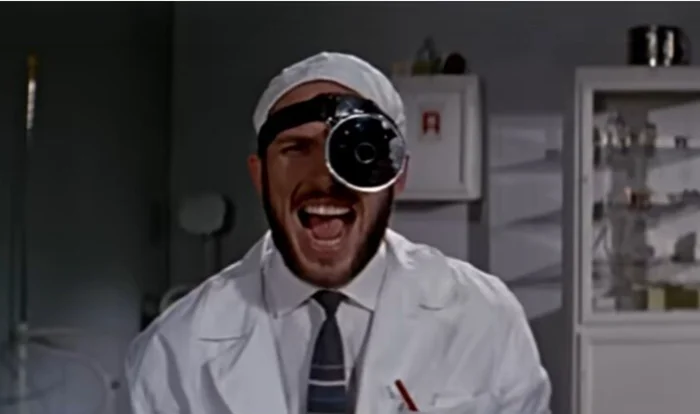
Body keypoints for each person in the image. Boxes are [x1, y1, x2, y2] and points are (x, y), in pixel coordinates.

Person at [125, 52, 551, 414]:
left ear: (398, 175)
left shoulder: (484, 319)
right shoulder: (172, 351)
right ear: (259, 176)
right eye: (297, 148)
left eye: (355, 150)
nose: (325, 178)